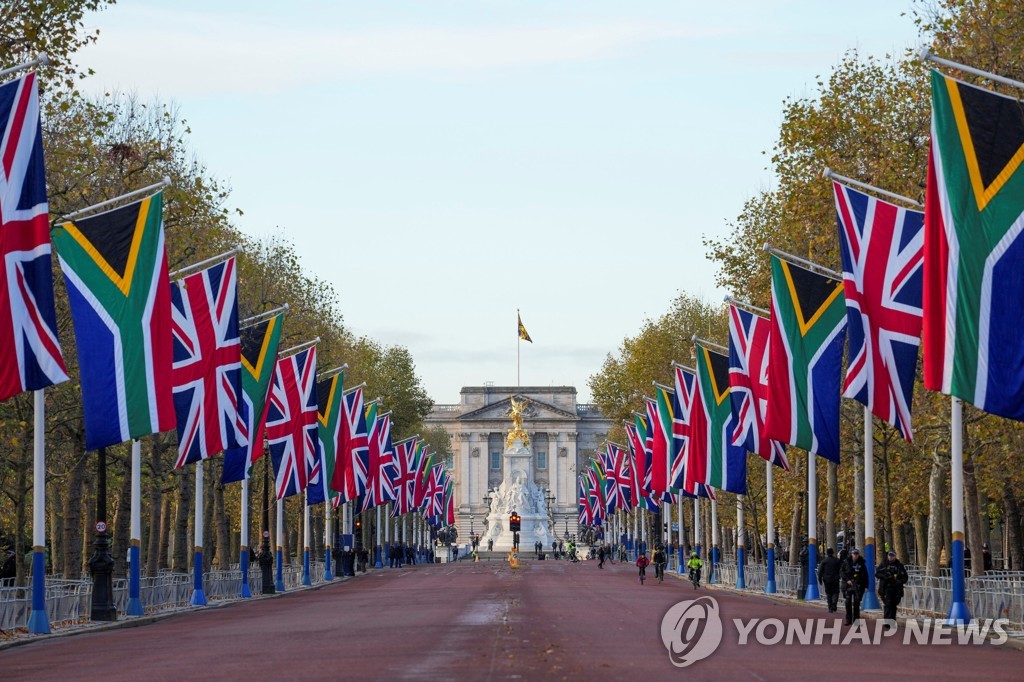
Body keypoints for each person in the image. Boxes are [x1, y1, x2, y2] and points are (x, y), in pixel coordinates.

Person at [876, 550, 909, 621]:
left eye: (892, 556)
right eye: (889, 556)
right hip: (886, 588)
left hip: (896, 588)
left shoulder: (899, 565)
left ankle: (892, 620)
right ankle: (887, 621)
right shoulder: (884, 564)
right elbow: (877, 573)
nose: (891, 557)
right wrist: (885, 576)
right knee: (888, 604)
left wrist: (899, 581)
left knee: (893, 605)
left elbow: (905, 577)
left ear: (895, 556)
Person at [841, 547, 869, 625]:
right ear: (852, 554)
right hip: (848, 585)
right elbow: (842, 572)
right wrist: (847, 580)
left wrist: (866, 586)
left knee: (857, 604)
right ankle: (848, 620)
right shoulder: (846, 562)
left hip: (858, 585)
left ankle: (856, 620)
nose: (855, 556)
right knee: (848, 603)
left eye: (857, 554)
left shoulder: (862, 563)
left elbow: (865, 575)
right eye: (854, 554)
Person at [818, 547, 842, 613]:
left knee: (828, 593)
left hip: (826, 579)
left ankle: (830, 607)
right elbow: (841, 569)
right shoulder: (837, 560)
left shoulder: (824, 561)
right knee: (836, 592)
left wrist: (819, 579)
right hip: (835, 579)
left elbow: (820, 571)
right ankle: (834, 603)